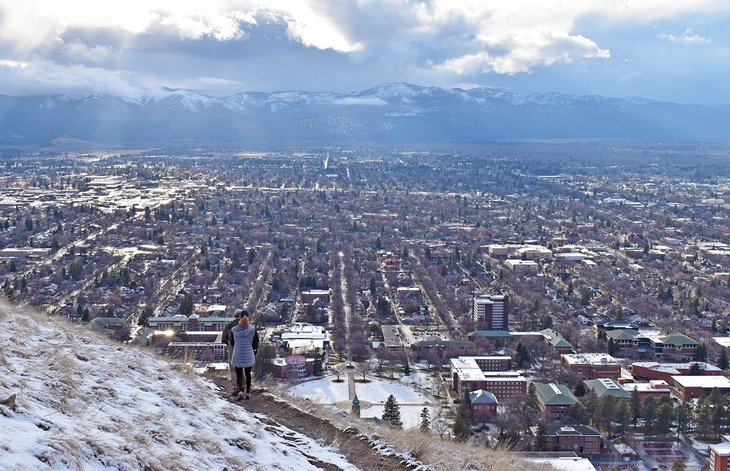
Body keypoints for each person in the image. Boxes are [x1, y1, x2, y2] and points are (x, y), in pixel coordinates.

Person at [231, 313, 259, 400]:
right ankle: (247, 392)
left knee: (239, 374)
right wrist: (254, 350)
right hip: (248, 354)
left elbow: (232, 343)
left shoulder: (234, 330)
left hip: (238, 353)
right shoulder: (252, 329)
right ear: (249, 317)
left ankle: (240, 391)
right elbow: (255, 343)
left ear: (239, 317)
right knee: (248, 374)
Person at [221, 310, 242, 383]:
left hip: (232, 350)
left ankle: (234, 384)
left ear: (234, 316)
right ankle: (244, 386)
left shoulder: (229, 325)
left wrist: (229, 344)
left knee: (233, 369)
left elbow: (223, 339)